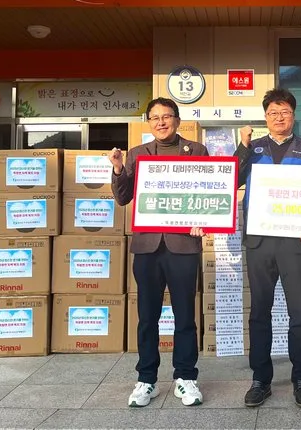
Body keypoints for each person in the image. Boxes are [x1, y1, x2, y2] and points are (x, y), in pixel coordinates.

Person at [108, 97, 208, 408]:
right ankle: (146, 379)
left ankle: (185, 377)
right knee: (147, 317)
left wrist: (204, 220)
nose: (161, 122)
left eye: (167, 116)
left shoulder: (197, 151)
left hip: (183, 245)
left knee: (185, 316)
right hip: (148, 246)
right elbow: (123, 197)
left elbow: (207, 191)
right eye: (155, 117)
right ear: (149, 122)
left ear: (177, 120)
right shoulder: (138, 154)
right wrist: (118, 168)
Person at [234, 87, 301, 408]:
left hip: (295, 242)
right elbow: (232, 179)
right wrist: (243, 146)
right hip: (259, 241)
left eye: (284, 112)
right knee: (260, 312)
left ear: (293, 116)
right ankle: (261, 379)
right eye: (273, 113)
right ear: (265, 117)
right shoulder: (253, 148)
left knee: (300, 312)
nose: (279, 117)